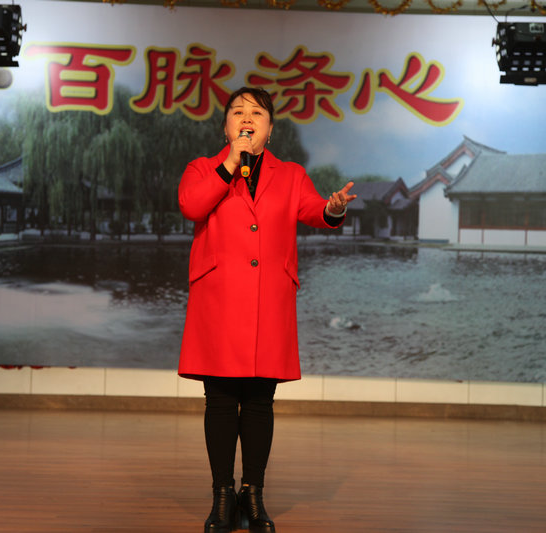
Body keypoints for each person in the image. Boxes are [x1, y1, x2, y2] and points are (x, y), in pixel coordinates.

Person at [177, 86, 356, 533]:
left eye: (256, 113)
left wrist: (333, 209)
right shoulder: (203, 168)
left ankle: (252, 495)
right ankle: (222, 497)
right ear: (226, 127)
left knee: (259, 401)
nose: (246, 118)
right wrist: (228, 165)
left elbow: (314, 210)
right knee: (220, 400)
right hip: (218, 302)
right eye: (237, 112)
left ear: (270, 129)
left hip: (269, 302)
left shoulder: (290, 174)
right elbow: (192, 205)